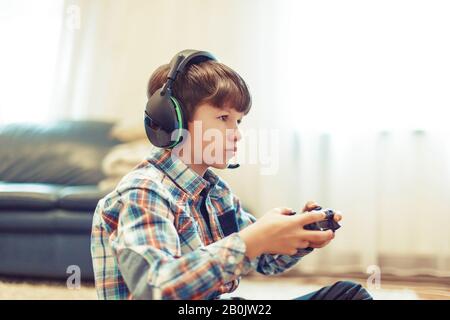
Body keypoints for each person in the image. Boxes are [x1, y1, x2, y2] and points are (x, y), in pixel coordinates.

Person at [90, 50, 372, 300]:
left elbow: (264, 261)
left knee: (348, 295)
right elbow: (156, 289)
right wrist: (251, 240)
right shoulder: (144, 192)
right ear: (171, 120)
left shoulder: (216, 193)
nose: (236, 134)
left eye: (238, 121)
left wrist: (298, 236)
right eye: (223, 118)